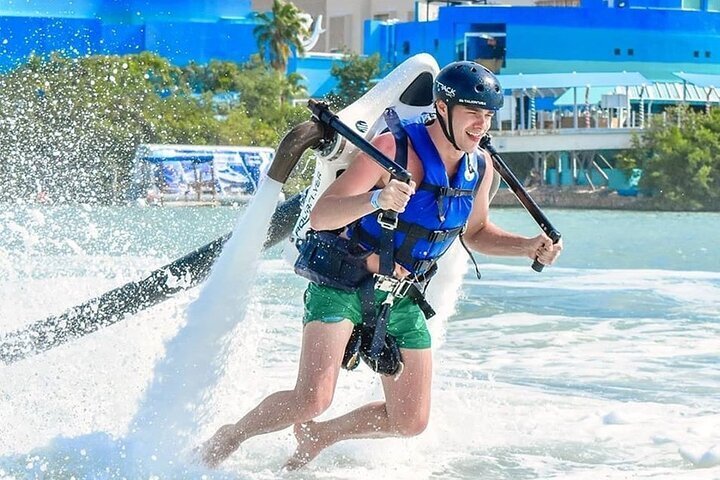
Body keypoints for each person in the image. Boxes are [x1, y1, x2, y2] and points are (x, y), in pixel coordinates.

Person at [199, 60, 563, 470]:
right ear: (442, 108)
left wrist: (529, 246)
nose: (481, 125)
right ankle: (231, 436)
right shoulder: (394, 149)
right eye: (472, 113)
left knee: (410, 421)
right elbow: (323, 215)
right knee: (312, 398)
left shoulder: (479, 166)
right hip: (344, 281)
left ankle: (320, 435)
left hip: (401, 297)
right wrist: (377, 199)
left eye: (487, 115)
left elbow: (475, 231)